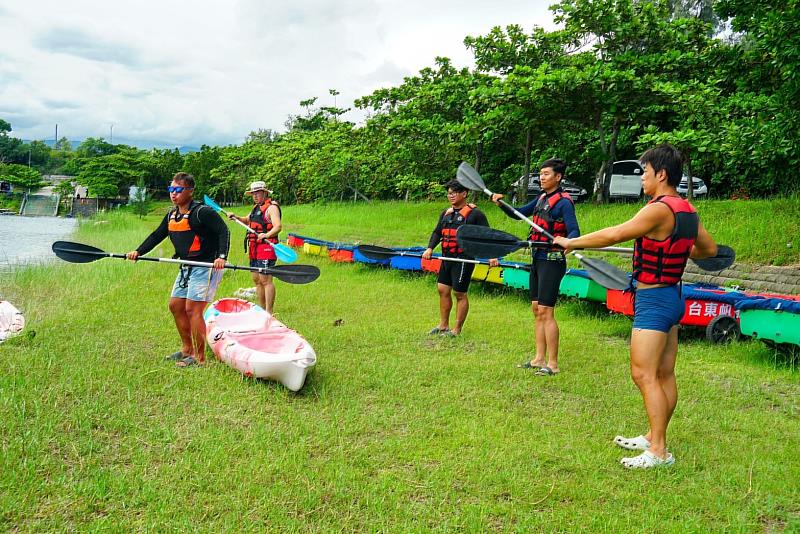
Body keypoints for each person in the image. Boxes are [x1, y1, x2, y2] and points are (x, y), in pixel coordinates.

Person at [553, 144, 718, 469]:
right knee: (664, 372)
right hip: (672, 296)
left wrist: (572, 242)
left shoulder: (658, 209)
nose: (641, 177)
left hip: (654, 301)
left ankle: (658, 451)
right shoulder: (687, 209)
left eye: (644, 171)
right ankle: (654, 435)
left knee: (643, 373)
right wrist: (678, 250)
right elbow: (709, 249)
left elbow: (616, 233)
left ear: (661, 174)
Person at [127, 172, 230, 368]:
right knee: (175, 305)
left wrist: (221, 257)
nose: (173, 194)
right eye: (171, 190)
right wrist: (138, 251)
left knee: (193, 310)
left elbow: (223, 231)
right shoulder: (171, 214)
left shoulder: (203, 212)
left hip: (205, 266)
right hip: (185, 266)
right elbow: (157, 235)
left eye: (177, 190)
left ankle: (199, 359)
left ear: (189, 191)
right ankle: (186, 349)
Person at [491, 158, 580, 377]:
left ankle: (553, 363)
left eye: (546, 174)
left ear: (558, 177)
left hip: (552, 260)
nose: (541, 177)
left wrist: (568, 242)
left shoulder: (564, 202)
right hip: (537, 258)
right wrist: (501, 203)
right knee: (536, 309)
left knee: (546, 311)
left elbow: (574, 231)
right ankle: (538, 358)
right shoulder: (541, 198)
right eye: (540, 174)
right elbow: (518, 213)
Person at [422, 179, 495, 337]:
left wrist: (491, 255)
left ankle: (457, 330)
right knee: (442, 289)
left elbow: (487, 235)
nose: (451, 196)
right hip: (447, 257)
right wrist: (429, 248)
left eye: (454, 193)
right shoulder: (446, 213)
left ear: (464, 194)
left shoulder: (475, 214)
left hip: (463, 259)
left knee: (459, 293)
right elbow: (437, 232)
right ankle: (443, 325)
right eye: (449, 193)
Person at [228, 181, 282, 314]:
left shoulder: (272, 208)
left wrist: (267, 235)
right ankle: (262, 310)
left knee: (266, 280)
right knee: (257, 279)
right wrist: (236, 217)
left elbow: (278, 226)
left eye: (257, 193)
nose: (255, 196)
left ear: (264, 193)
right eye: (253, 194)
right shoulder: (256, 208)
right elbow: (247, 220)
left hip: (266, 247)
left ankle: (269, 312)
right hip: (254, 248)